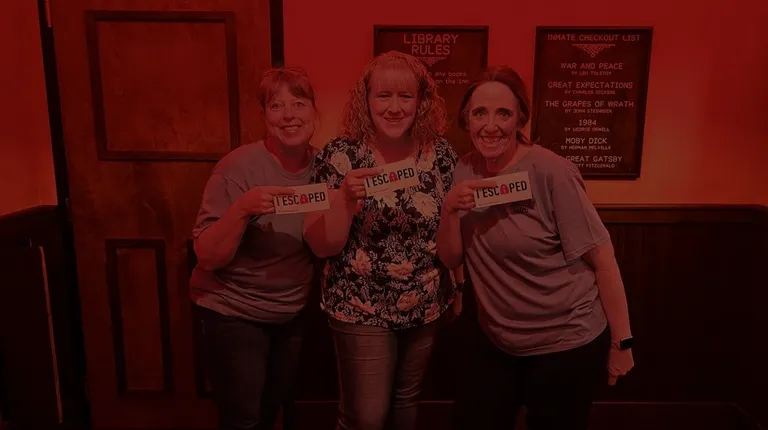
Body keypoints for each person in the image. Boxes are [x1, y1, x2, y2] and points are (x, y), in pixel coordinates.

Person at [437, 66, 635, 430]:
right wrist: (448, 210)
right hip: (497, 341)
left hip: (565, 343)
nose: (491, 126)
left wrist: (622, 343)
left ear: (520, 119)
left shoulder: (552, 172)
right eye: (480, 113)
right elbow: (452, 258)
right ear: (466, 119)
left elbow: (603, 259)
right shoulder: (463, 170)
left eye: (503, 113)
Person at [302, 51, 458, 430]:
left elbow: (453, 228)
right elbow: (322, 246)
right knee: (365, 417)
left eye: (405, 96)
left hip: (425, 303)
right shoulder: (340, 155)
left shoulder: (440, 153)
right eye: (383, 95)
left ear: (421, 101)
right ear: (366, 99)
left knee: (405, 407)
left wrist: (460, 285)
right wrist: (344, 199)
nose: (394, 107)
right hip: (360, 305)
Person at [189, 67, 320, 430]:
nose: (289, 115)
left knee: (268, 413)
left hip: (290, 311)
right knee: (243, 420)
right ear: (264, 116)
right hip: (233, 310)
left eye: (299, 103)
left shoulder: (326, 166)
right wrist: (242, 209)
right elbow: (208, 256)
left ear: (314, 110)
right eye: (276, 106)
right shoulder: (237, 167)